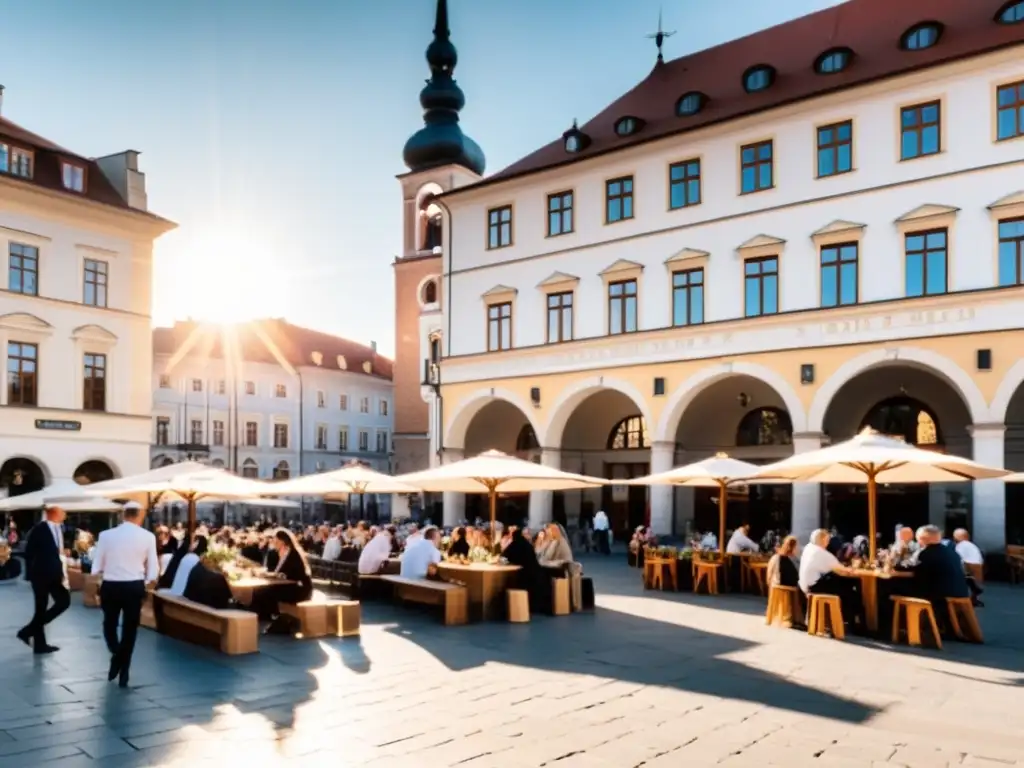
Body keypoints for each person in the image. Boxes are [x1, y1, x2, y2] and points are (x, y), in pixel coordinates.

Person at [90, 502, 159, 687]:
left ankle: (116, 654)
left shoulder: (105, 536)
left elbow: (97, 565)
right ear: (140, 516)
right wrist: (145, 582)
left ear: (123, 515)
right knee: (130, 628)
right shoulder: (148, 536)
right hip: (134, 586)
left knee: (109, 624)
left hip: (111, 584)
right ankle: (124, 668)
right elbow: (153, 568)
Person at [17, 504, 71, 654]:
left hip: (55, 574)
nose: (65, 515)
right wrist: (29, 575)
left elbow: (55, 550)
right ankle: (40, 645)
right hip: (40, 575)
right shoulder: (39, 529)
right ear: (53, 514)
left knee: (64, 602)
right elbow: (28, 552)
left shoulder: (59, 528)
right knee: (40, 608)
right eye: (63, 512)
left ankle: (28, 631)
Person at [798, 529, 864, 633]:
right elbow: (841, 569)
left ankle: (844, 621)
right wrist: (853, 569)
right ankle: (854, 623)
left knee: (843, 585)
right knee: (850, 591)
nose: (828, 543)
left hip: (806, 586)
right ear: (821, 539)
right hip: (815, 586)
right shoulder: (821, 552)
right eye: (827, 539)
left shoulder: (808, 548)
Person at [251, 529, 314, 630]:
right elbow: (279, 572)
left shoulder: (293, 554)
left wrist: (280, 576)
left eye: (275, 540)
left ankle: (272, 618)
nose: (273, 543)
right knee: (257, 590)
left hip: (299, 589)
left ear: (282, 541)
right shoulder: (281, 553)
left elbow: (296, 575)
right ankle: (260, 617)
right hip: (288, 585)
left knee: (267, 592)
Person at [909, 525, 970, 617]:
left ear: (921, 539)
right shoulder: (952, 552)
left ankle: (912, 628)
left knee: (900, 591)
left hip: (940, 600)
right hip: (960, 595)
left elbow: (919, 577)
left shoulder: (927, 553)